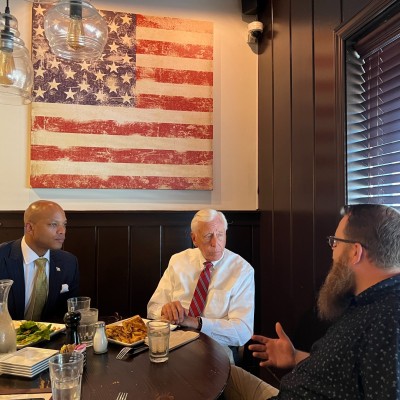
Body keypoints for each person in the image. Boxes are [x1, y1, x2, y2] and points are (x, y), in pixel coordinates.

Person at [224, 204, 400, 399]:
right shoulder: (364, 301)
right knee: (223, 371)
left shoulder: (389, 320)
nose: (332, 253)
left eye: (335, 243)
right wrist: (295, 357)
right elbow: (345, 374)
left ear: (354, 252)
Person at [147, 208, 255, 363]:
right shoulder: (178, 261)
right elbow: (152, 308)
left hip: (216, 347)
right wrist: (164, 310)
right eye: (207, 236)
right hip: (174, 341)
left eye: (220, 235)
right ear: (194, 238)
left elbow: (242, 331)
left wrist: (197, 323)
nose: (215, 243)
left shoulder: (242, 270)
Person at [0, 200, 79, 322]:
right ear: (30, 228)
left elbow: (70, 314)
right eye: (53, 224)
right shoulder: (2, 257)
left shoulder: (68, 262)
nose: (62, 231)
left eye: (64, 224)